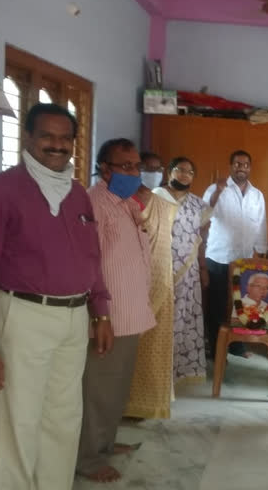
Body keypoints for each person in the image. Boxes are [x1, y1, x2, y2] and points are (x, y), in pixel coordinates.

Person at [0, 103, 113, 490]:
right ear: (29, 137)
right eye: (47, 135)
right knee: (19, 420)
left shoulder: (78, 194)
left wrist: (101, 311)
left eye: (65, 138)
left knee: (63, 419)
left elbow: (91, 257)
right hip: (23, 316)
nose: (57, 145)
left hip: (74, 318)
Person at [76, 139, 156, 483]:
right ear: (104, 168)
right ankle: (88, 459)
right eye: (126, 166)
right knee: (98, 390)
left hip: (130, 312)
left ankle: (105, 444)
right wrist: (100, 315)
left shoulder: (123, 202)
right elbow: (90, 266)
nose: (134, 172)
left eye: (136, 166)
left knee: (116, 387)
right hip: (109, 316)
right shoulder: (95, 203)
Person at [124, 152, 178, 420]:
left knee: (154, 347)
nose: (153, 172)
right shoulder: (123, 202)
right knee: (127, 348)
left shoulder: (165, 204)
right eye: (147, 167)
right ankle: (123, 405)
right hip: (130, 287)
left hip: (160, 284)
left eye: (158, 168)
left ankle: (147, 404)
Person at [151, 157, 212, 386]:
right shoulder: (156, 197)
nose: (185, 175)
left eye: (190, 171)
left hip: (188, 273)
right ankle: (155, 375)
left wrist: (203, 268)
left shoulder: (198, 204)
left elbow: (202, 239)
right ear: (170, 172)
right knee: (159, 323)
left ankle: (175, 374)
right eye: (180, 170)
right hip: (158, 270)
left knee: (183, 321)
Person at [203, 150, 268, 357]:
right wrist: (216, 194)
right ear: (231, 166)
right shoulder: (216, 189)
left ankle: (237, 346)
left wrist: (262, 252)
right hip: (218, 257)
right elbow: (203, 216)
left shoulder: (257, 195)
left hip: (244, 260)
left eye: (246, 164)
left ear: (250, 168)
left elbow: (261, 224)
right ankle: (215, 348)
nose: (242, 168)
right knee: (217, 305)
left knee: (241, 305)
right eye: (238, 164)